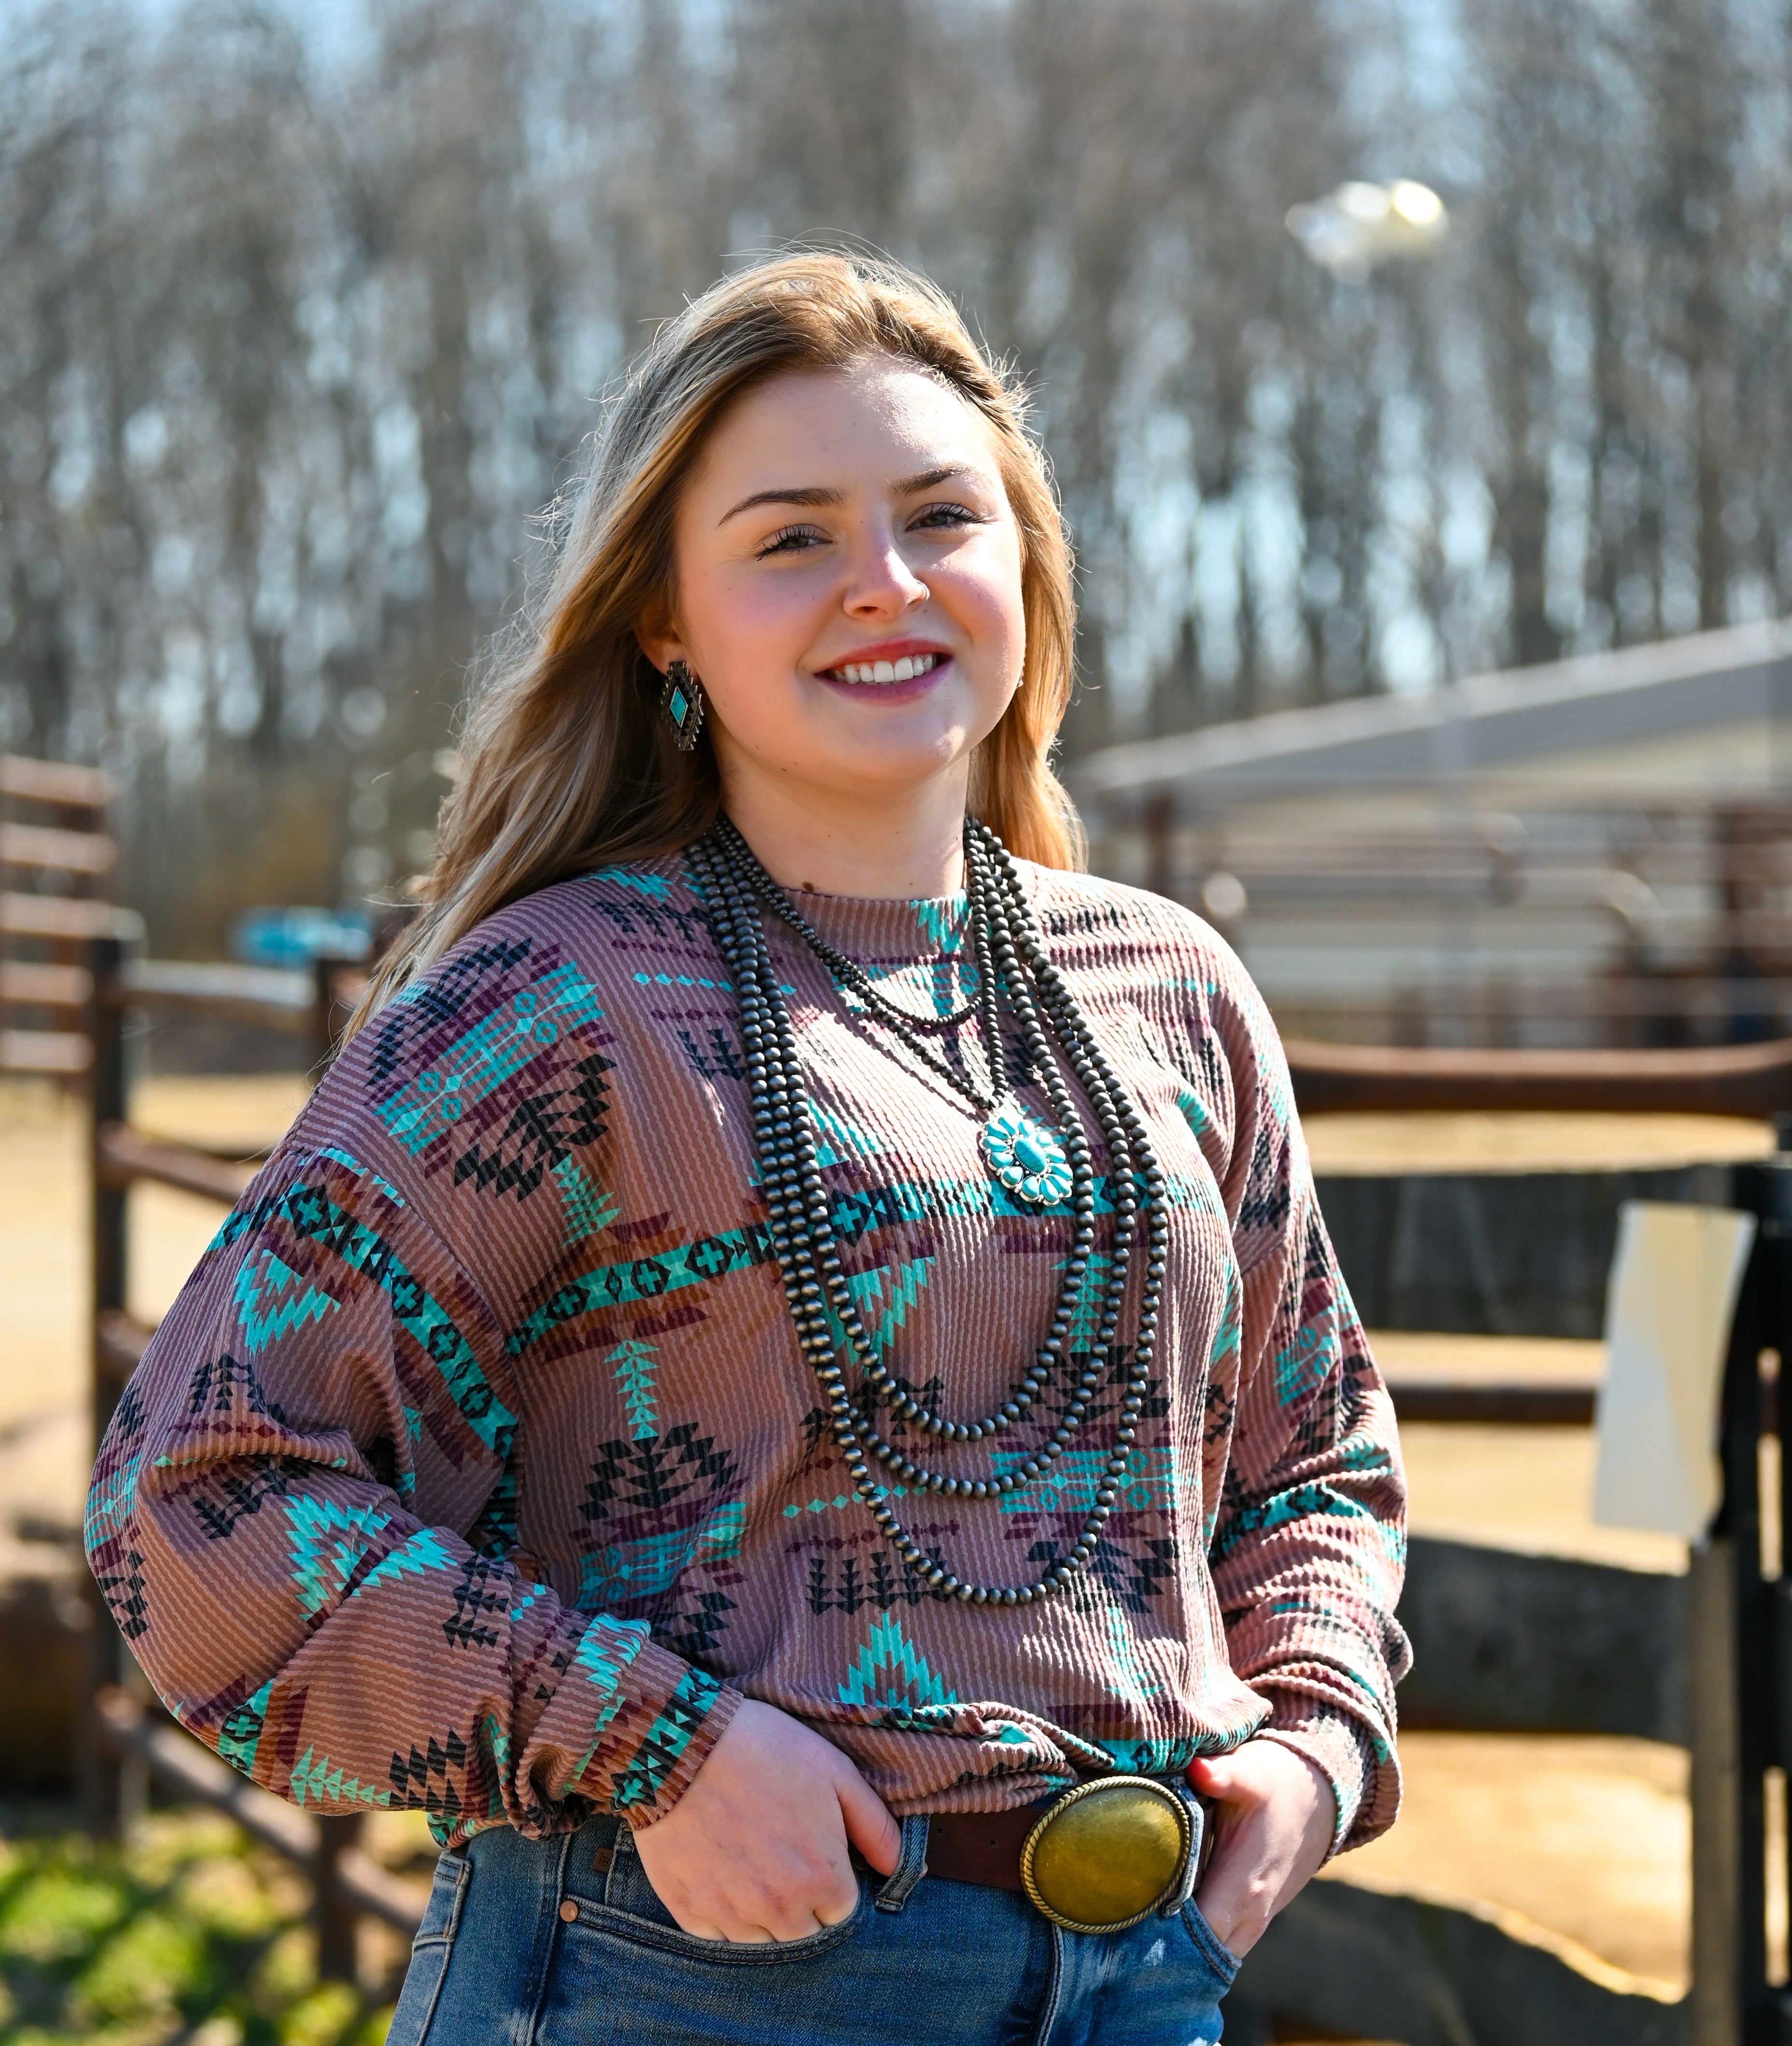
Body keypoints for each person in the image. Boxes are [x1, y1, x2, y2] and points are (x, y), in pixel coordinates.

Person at [86, 252, 1409, 2046]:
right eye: (792, 539)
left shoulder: (1172, 991)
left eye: (941, 517)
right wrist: (656, 1746)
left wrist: (1319, 1736)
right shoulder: (552, 1007)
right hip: (689, 1982)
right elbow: (201, 1495)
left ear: (1026, 562)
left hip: (1145, 1981)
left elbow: (1316, 1457)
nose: (885, 584)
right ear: (665, 624)